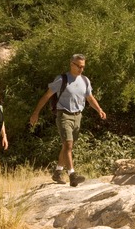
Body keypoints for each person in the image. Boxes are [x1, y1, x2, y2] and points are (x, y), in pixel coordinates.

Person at [30, 54, 106, 187]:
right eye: (79, 66)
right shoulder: (61, 79)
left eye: (83, 67)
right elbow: (46, 96)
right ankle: (72, 175)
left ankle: (58, 172)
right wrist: (36, 112)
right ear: (72, 64)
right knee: (68, 145)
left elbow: (89, 97)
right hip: (64, 114)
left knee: (67, 146)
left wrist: (99, 109)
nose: (82, 69)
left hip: (78, 116)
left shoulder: (85, 80)